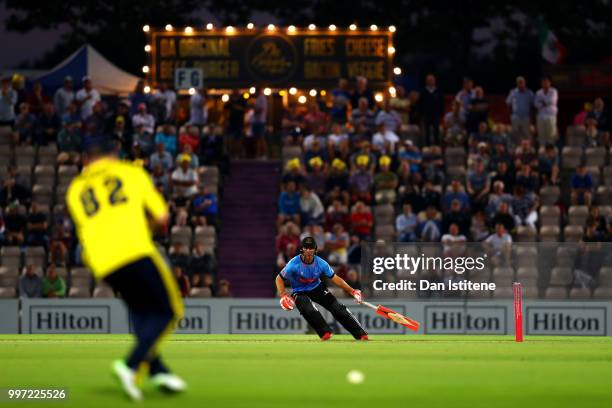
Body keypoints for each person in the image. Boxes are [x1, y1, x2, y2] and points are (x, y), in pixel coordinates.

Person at [66, 139, 186, 400]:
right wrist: (146, 227)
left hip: (101, 261)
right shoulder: (130, 172)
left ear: (87, 159)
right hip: (134, 250)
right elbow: (162, 216)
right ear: (114, 154)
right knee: (169, 311)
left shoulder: (75, 188)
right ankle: (130, 365)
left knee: (142, 311)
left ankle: (158, 371)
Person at [275, 236, 368, 341]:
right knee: (307, 307)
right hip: (299, 291)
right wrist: (283, 294)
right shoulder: (293, 264)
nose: (309, 251)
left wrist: (353, 291)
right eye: (306, 248)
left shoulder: (321, 263)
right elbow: (279, 278)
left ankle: (361, 334)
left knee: (338, 308)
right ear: (302, 249)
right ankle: (325, 333)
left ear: (315, 250)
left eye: (311, 248)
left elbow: (336, 279)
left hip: (317, 288)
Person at [506, 76, 534, 142]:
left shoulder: (529, 93)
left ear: (525, 83)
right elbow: (508, 104)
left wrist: (532, 119)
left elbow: (532, 106)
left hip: (526, 117)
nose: (521, 84)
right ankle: (517, 150)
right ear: (517, 83)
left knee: (527, 135)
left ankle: (528, 150)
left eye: (522, 82)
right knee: (515, 135)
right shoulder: (513, 92)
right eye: (519, 83)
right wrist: (510, 116)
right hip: (515, 117)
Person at [534, 77, 558, 144]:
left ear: (549, 83)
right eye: (543, 83)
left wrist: (542, 102)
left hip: (551, 116)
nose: (545, 84)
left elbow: (552, 101)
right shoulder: (538, 92)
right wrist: (545, 103)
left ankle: (551, 150)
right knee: (541, 135)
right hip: (541, 117)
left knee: (551, 135)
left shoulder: (554, 91)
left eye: (546, 83)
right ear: (541, 84)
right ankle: (542, 150)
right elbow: (536, 104)